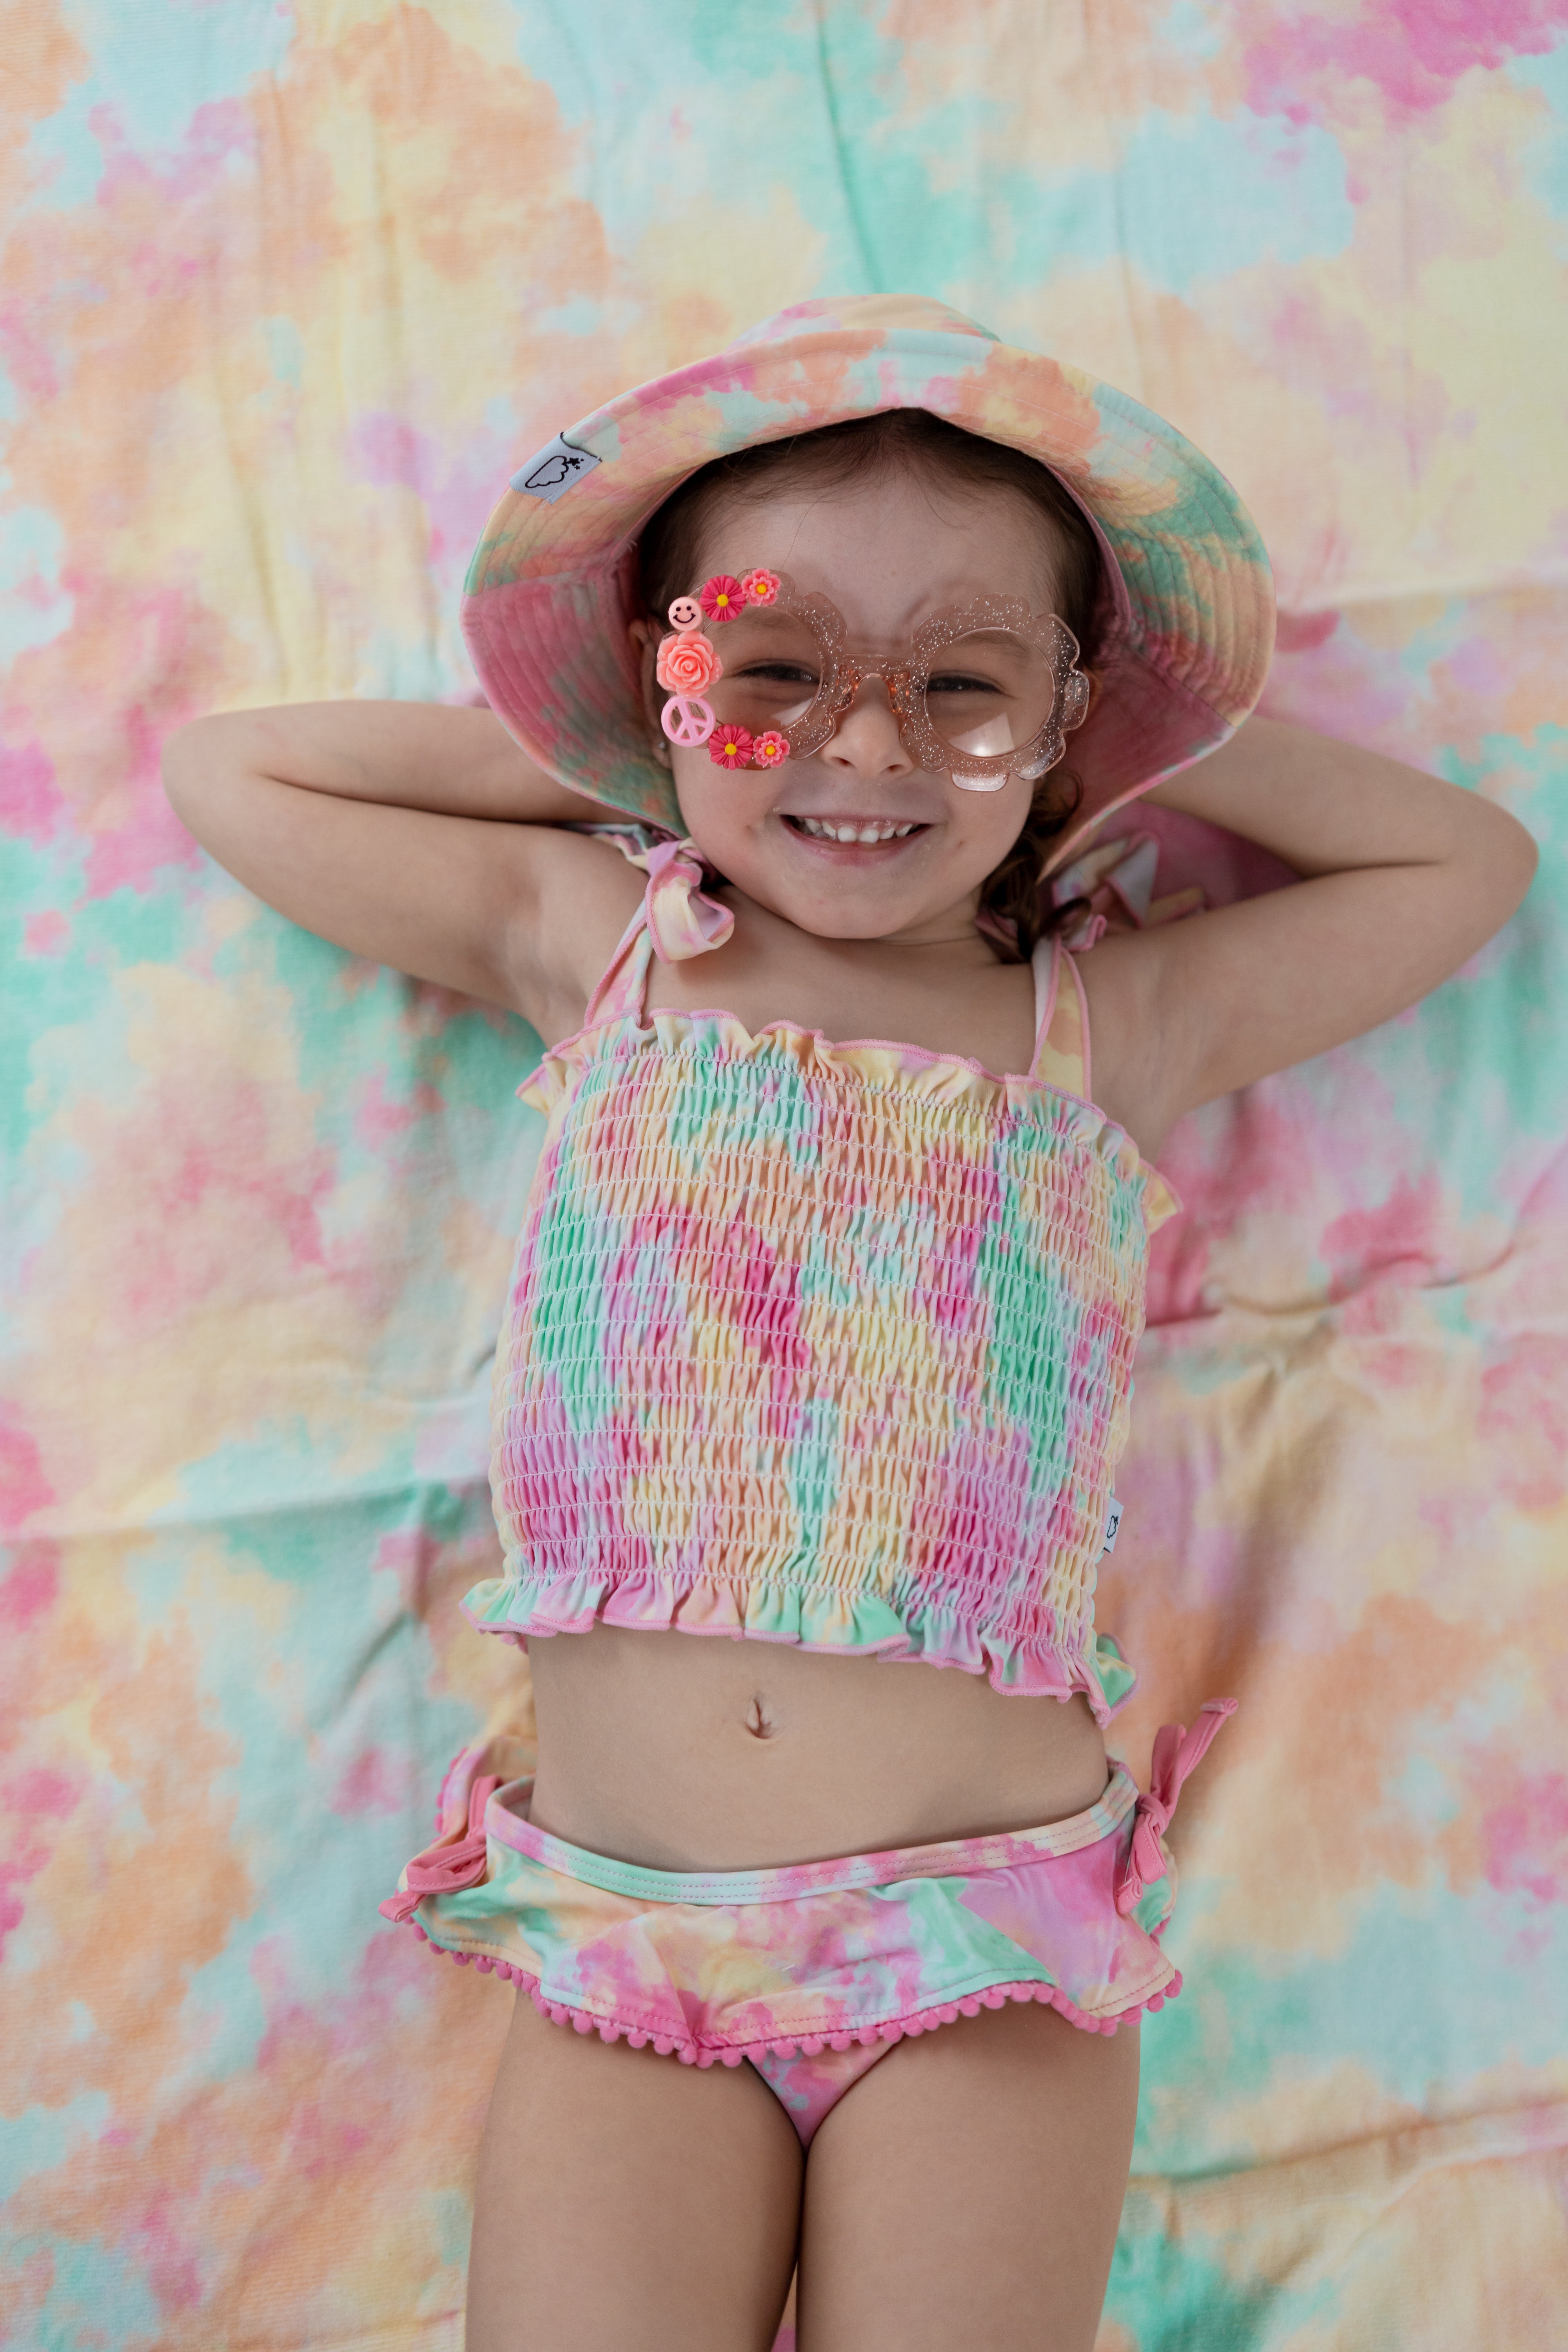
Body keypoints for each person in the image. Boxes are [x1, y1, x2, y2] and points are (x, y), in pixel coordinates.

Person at [163, 297, 1536, 2352]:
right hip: (629, 1955)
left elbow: (1469, 857)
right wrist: (619, 750)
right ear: (668, 681)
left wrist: (1116, 735)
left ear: (1056, 722)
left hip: (974, 1939)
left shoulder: (1105, 1025)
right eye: (773, 672)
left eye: (959, 690)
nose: (867, 751)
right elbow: (229, 770)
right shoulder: (600, 954)